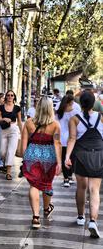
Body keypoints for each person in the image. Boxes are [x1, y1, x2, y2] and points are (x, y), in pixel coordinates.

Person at [65, 91, 103, 238]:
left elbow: (72, 139)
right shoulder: (101, 117)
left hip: (81, 156)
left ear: (80, 104)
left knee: (81, 187)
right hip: (99, 155)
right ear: (93, 103)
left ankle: (81, 217)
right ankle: (93, 220)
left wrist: (67, 157)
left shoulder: (74, 119)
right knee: (94, 190)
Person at [22, 97, 62, 229]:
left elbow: (23, 146)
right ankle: (46, 208)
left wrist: (25, 158)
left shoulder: (28, 123)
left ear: (38, 107)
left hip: (31, 156)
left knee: (34, 185)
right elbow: (57, 144)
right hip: (49, 158)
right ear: (51, 109)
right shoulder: (55, 125)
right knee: (46, 184)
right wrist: (59, 163)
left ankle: (35, 217)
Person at [0, 90, 23, 180]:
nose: (10, 97)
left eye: (12, 95)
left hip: (13, 129)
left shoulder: (17, 108)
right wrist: (3, 119)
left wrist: (22, 133)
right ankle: (5, 163)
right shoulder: (1, 107)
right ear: (6, 97)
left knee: (11, 151)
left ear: (14, 97)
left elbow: (19, 122)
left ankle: (8, 172)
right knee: (2, 152)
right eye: (8, 95)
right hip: (3, 130)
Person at [56, 95, 80, 187]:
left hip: (61, 139)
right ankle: (69, 177)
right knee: (71, 158)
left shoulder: (58, 112)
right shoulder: (76, 112)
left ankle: (66, 179)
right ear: (71, 102)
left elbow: (56, 126)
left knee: (63, 158)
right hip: (72, 139)